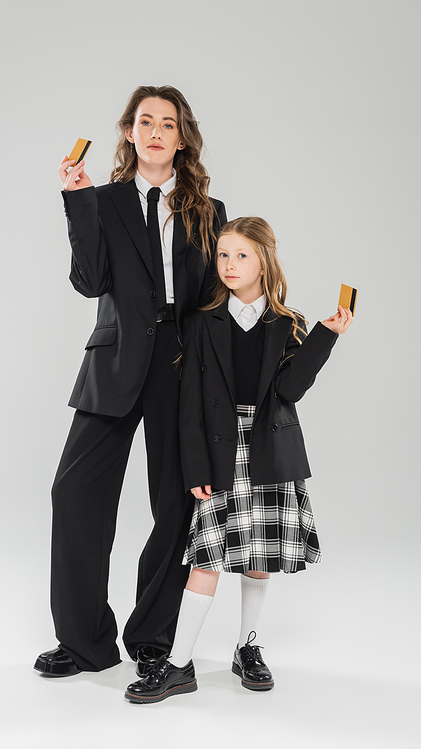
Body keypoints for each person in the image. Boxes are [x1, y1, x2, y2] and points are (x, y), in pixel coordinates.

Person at [34, 86, 227, 677]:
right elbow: (90, 282)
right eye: (145, 121)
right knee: (75, 492)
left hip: (179, 364)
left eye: (168, 123)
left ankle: (152, 636)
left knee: (176, 502)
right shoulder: (106, 200)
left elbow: (214, 297)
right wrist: (77, 200)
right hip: (114, 360)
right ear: (128, 132)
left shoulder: (208, 211)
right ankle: (83, 642)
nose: (155, 132)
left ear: (182, 137)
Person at [125, 216, 353, 703]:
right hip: (219, 450)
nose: (229, 265)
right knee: (205, 558)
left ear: (264, 262)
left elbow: (290, 391)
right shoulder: (202, 322)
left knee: (258, 560)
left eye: (241, 256)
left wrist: (326, 336)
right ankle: (178, 664)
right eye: (223, 255)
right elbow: (190, 405)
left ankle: (247, 648)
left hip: (270, 449)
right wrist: (196, 468)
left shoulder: (288, 323)